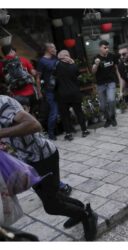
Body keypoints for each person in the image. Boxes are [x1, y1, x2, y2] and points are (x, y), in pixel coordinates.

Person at [0, 95, 98, 241]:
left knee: (51, 206)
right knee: (53, 196)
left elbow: (34, 125)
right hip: (28, 162)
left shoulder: (3, 103)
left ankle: (86, 215)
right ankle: (81, 211)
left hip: (43, 157)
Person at [54, 50, 90, 141]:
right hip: (75, 92)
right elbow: (77, 76)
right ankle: (84, 131)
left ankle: (69, 134)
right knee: (79, 112)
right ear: (68, 56)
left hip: (62, 94)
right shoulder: (74, 66)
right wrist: (73, 63)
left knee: (65, 115)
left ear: (60, 57)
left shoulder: (57, 65)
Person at [0, 45, 37, 112]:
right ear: (11, 51)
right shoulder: (22, 59)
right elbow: (33, 73)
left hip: (16, 94)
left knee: (22, 113)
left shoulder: (1, 64)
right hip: (30, 91)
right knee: (32, 112)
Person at [91, 40, 118, 128]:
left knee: (111, 100)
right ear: (100, 48)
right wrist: (96, 64)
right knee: (102, 106)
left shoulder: (112, 56)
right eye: (105, 47)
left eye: (108, 47)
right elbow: (93, 71)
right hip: (100, 84)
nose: (107, 49)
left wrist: (120, 78)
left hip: (111, 82)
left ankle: (113, 117)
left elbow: (117, 68)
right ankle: (108, 119)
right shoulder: (96, 57)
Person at [36, 43, 59, 140]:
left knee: (63, 108)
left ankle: (67, 129)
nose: (55, 49)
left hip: (61, 87)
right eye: (53, 47)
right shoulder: (42, 61)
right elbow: (37, 78)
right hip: (50, 90)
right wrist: (39, 92)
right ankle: (50, 132)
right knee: (54, 111)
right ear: (48, 49)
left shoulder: (56, 58)